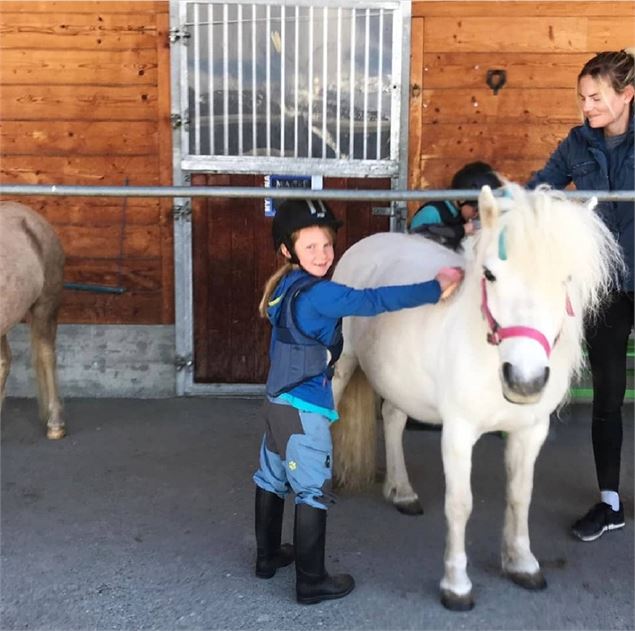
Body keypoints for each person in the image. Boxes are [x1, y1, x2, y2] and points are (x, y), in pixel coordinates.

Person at [252, 199, 463, 604]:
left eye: (327, 245)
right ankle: (311, 581)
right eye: (310, 247)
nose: (323, 255)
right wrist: (434, 287)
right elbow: (374, 301)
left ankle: (267, 557)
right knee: (312, 491)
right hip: (307, 410)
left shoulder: (281, 286)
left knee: (271, 478)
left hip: (276, 402)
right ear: (287, 250)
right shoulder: (322, 294)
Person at [528, 49, 634, 542]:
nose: (587, 106)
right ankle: (609, 502)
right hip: (608, 286)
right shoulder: (578, 144)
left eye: (596, 97)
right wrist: (503, 207)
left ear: (626, 95)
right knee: (608, 396)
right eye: (582, 98)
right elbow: (540, 188)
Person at [409, 161, 502, 249]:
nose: (478, 216)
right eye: (476, 210)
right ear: (461, 199)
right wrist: (462, 230)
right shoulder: (432, 213)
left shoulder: (461, 215)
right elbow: (416, 242)